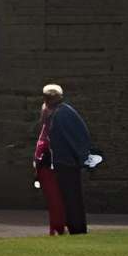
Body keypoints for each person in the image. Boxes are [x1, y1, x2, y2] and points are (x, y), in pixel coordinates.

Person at [42, 82, 94, 235]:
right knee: (70, 196)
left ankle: (76, 227)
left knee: (72, 197)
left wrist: (79, 158)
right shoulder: (61, 112)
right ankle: (74, 225)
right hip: (66, 161)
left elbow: (72, 139)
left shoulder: (62, 114)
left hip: (67, 162)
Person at [32, 93, 68, 235]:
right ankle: (56, 226)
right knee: (55, 198)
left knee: (54, 198)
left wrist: (37, 164)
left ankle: (57, 226)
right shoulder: (47, 128)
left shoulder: (49, 128)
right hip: (48, 165)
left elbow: (43, 148)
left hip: (48, 166)